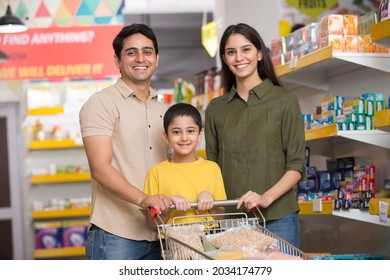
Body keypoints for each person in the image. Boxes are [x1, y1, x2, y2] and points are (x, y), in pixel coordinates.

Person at [204, 23, 306, 248]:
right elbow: (212, 168)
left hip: (278, 217)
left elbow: (296, 165)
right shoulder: (216, 108)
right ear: (225, 58)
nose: (239, 57)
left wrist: (265, 198)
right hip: (233, 219)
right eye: (231, 52)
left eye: (246, 49)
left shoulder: (285, 100)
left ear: (260, 53)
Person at [79, 23, 172, 260]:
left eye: (147, 51)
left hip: (160, 232)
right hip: (116, 235)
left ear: (157, 58)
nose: (140, 58)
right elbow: (100, 167)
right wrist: (143, 199)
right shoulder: (101, 103)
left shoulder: (166, 111)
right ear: (118, 61)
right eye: (131, 52)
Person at [144, 103, 227, 225]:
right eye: (177, 132)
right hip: (172, 241)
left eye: (190, 131)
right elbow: (153, 224)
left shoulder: (212, 169)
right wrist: (169, 206)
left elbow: (220, 217)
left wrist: (210, 201)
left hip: (209, 238)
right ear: (166, 137)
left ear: (200, 135)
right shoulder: (155, 173)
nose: (184, 138)